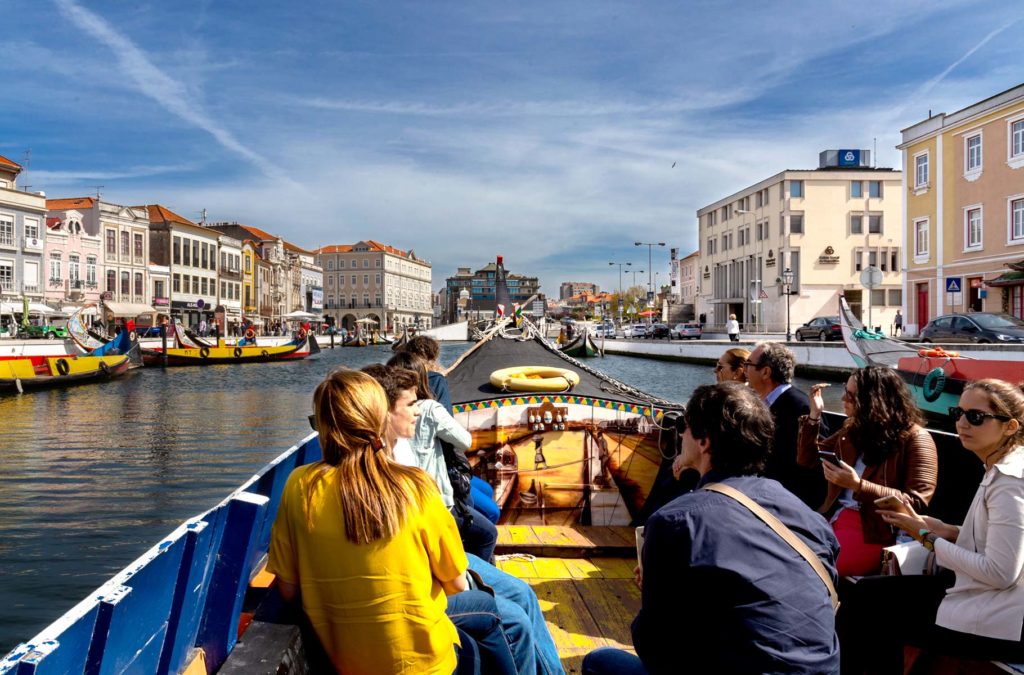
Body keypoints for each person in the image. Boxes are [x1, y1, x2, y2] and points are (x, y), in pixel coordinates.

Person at [267, 368, 513, 674]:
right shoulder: (416, 485)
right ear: (380, 419)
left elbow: (288, 591)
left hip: (343, 659)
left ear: (325, 428)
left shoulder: (299, 486)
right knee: (487, 616)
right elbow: (457, 584)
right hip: (423, 663)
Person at [582, 382, 840, 674]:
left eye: (684, 425)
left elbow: (656, 648)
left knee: (599, 662)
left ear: (704, 441)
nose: (679, 432)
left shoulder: (676, 522)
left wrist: (657, 586)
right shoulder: (809, 519)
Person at [363, 363, 565, 675]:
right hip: (429, 587)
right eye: (409, 404)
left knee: (523, 593)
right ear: (382, 411)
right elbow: (451, 579)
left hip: (434, 568)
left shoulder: (395, 454)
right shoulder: (401, 480)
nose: (417, 410)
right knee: (514, 618)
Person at [844, 378, 1024, 672]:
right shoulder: (1003, 465)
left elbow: (1001, 573)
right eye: (959, 414)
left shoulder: (1009, 482)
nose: (962, 423)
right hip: (986, 597)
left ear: (1010, 427)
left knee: (870, 606)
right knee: (869, 595)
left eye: (976, 417)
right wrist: (948, 530)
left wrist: (926, 537)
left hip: (1001, 621)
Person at [796, 366, 938, 575]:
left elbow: (916, 502)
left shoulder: (916, 439)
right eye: (845, 390)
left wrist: (858, 486)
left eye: (851, 395)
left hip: (874, 530)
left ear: (874, 400)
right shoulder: (853, 429)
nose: (843, 398)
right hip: (834, 517)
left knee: (812, 568)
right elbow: (807, 459)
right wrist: (814, 415)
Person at [744, 341, 825, 508]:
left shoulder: (800, 406)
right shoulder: (763, 402)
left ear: (765, 372)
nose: (744, 370)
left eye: (748, 365)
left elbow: (809, 464)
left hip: (786, 501)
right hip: (762, 490)